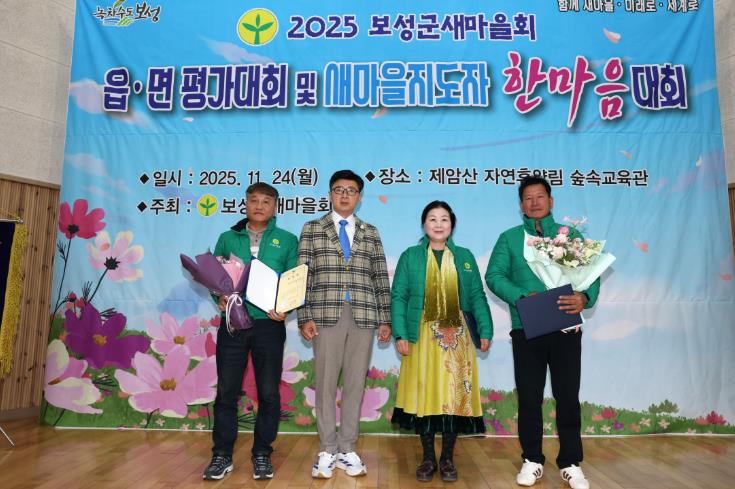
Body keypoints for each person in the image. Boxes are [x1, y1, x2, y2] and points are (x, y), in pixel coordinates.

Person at [485, 176, 600, 489]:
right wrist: (523, 296)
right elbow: (494, 276)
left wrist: (584, 297)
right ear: (521, 204)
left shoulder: (569, 235)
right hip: (528, 327)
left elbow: (590, 274)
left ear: (551, 201)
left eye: (540, 196)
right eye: (528, 197)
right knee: (530, 397)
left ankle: (571, 462)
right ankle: (532, 459)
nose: (534, 202)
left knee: (567, 396)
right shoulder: (510, 238)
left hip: (565, 327)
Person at [297, 169, 392, 479]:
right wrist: (304, 316)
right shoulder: (312, 228)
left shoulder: (371, 231)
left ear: (359, 197)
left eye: (351, 190)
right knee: (325, 383)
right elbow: (302, 276)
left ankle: (347, 447)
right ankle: (327, 448)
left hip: (363, 315)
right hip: (325, 315)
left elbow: (380, 276)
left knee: (354, 383)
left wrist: (385, 318)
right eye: (339, 189)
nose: (344, 195)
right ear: (330, 194)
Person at [202, 182, 298, 481]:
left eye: (266, 201)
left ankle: (262, 454)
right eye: (254, 200)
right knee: (227, 391)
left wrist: (285, 307)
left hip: (269, 325)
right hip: (233, 323)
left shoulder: (287, 239)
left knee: (268, 392)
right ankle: (221, 455)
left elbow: (294, 279)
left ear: (275, 207)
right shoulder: (227, 237)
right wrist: (218, 296)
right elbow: (214, 276)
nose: (259, 205)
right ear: (245, 203)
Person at [391, 201, 493, 482]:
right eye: (432, 219)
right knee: (425, 394)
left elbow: (477, 296)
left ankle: (447, 458)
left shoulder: (464, 257)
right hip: (422, 335)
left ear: (452, 224)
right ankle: (427, 458)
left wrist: (485, 330)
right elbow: (398, 296)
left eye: (444, 219)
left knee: (453, 397)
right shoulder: (411, 256)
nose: (438, 224)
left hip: (458, 337)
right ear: (424, 224)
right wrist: (400, 333)